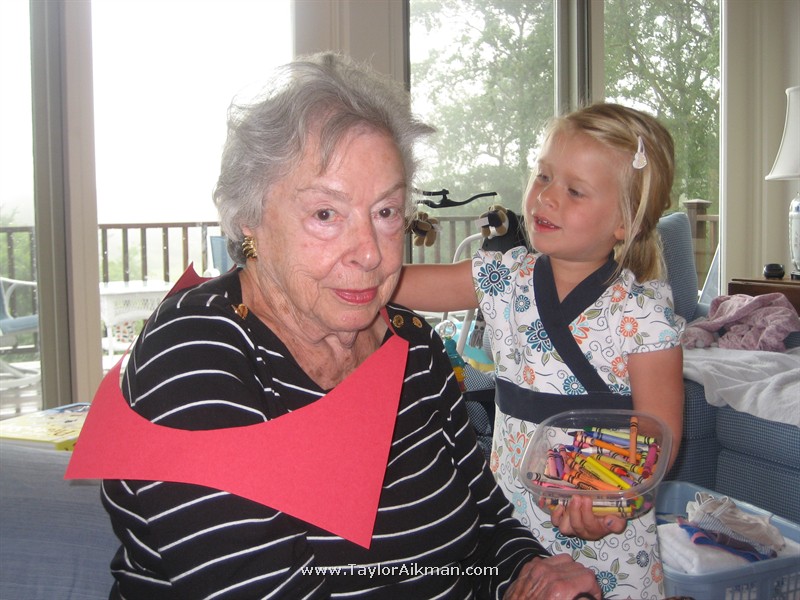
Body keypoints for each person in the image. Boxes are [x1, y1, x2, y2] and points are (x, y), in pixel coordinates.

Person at [95, 53, 602, 599]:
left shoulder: (412, 345)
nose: (370, 253)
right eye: (325, 214)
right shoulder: (192, 357)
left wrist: (532, 574)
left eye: (385, 212)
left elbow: (487, 522)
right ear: (250, 221)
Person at [393, 103, 685, 598]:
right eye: (543, 175)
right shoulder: (502, 277)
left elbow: (661, 436)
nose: (546, 196)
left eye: (574, 190)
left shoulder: (645, 316)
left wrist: (610, 501)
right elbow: (395, 284)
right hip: (509, 521)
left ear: (624, 221)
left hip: (605, 534)